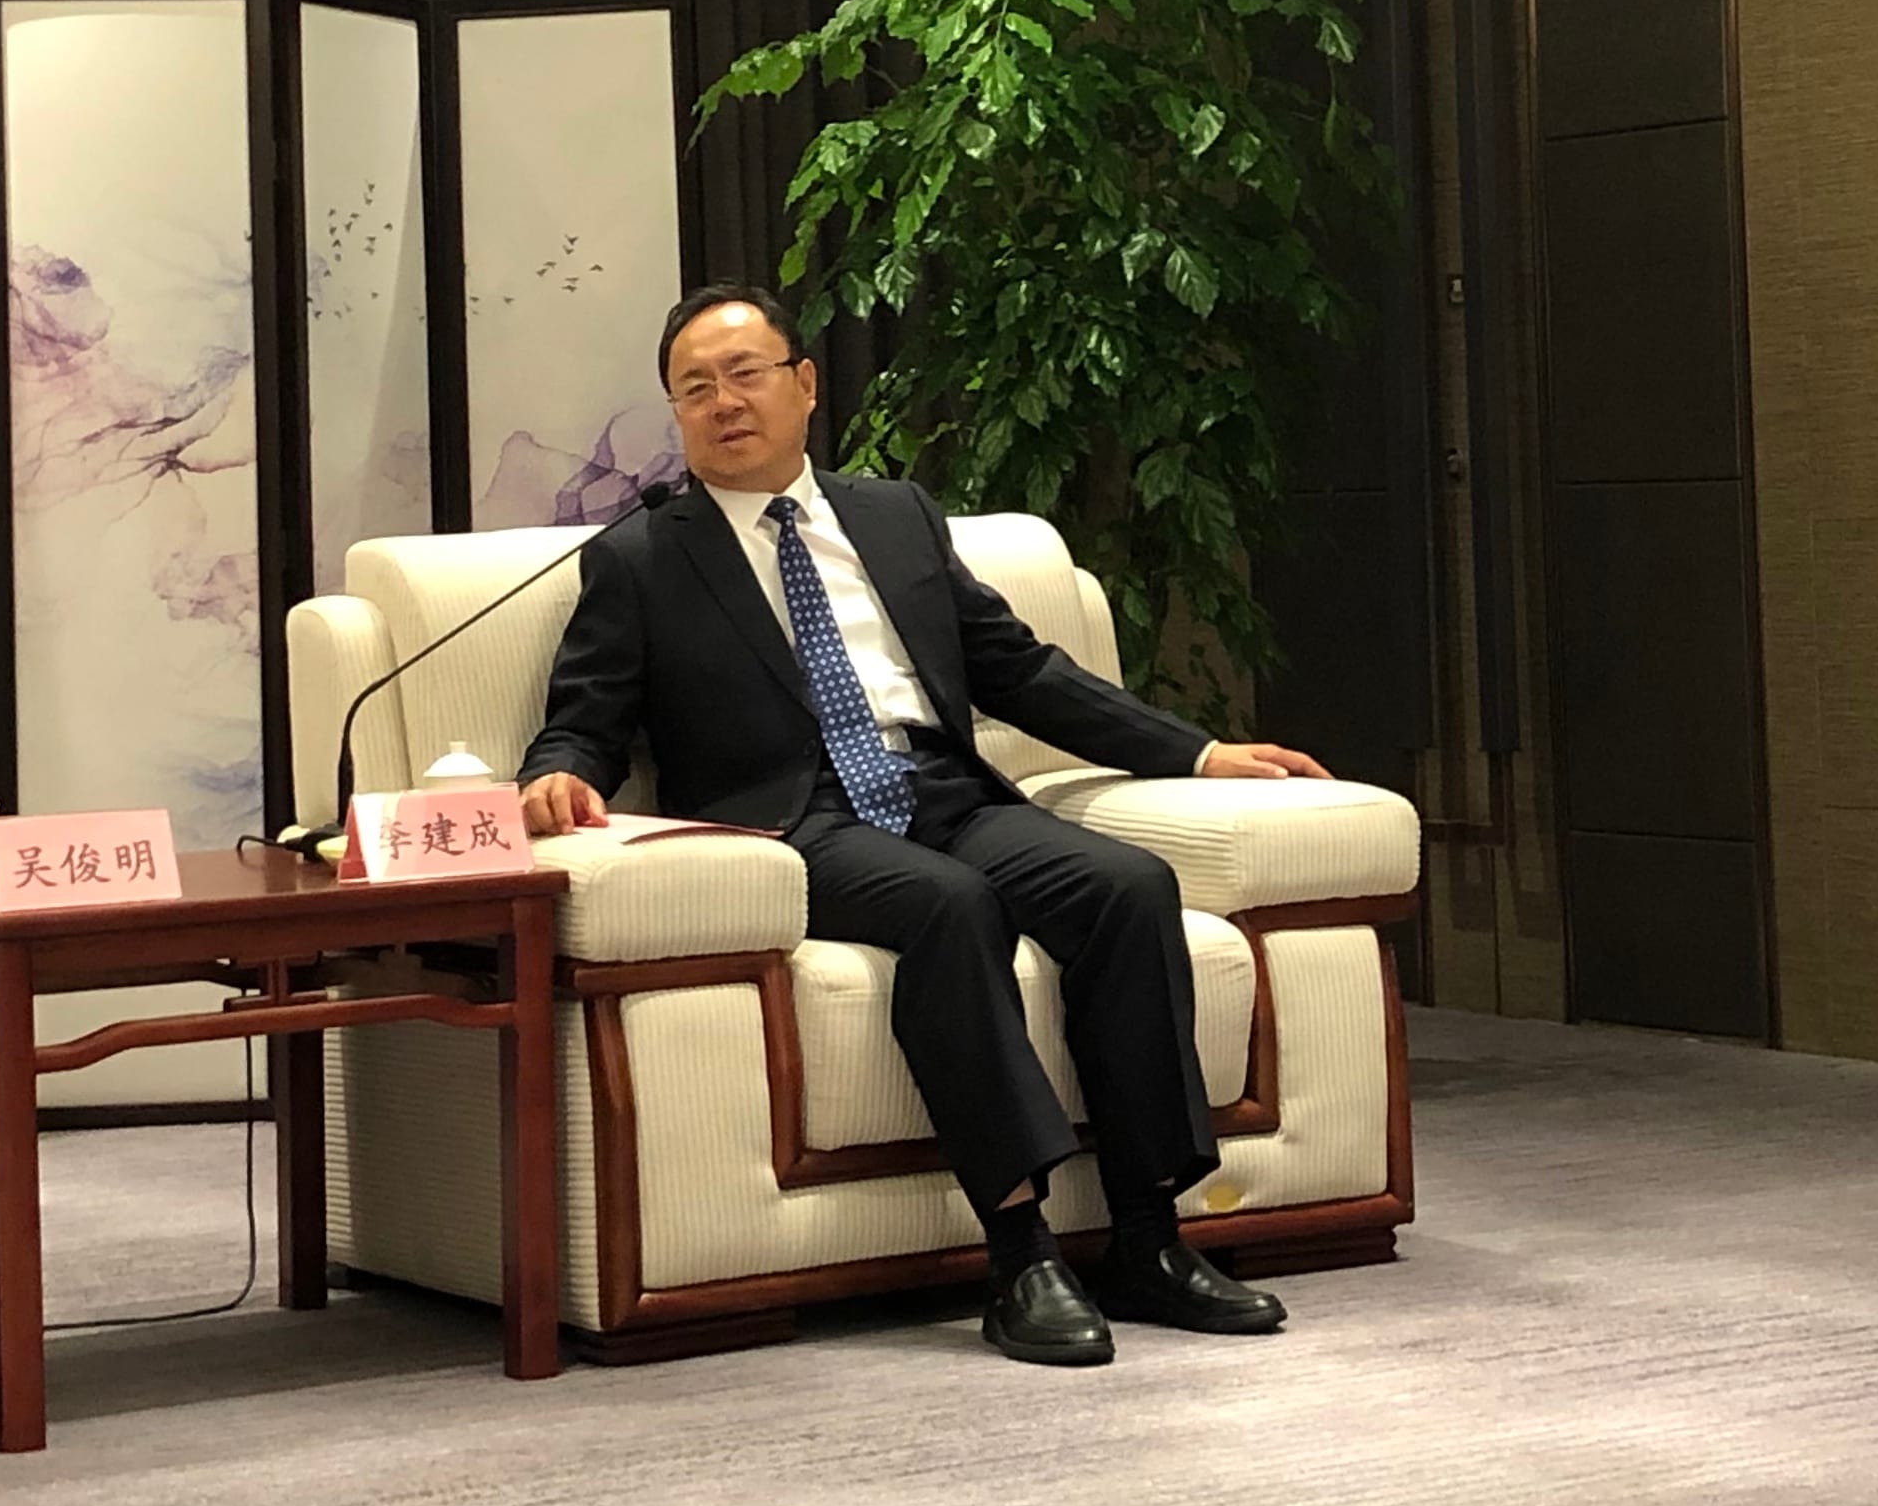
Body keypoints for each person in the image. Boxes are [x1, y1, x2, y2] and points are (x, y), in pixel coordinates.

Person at [519, 286, 1332, 1368]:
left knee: (1127, 887)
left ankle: (1148, 1237)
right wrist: (557, 776)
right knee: (952, 908)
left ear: (806, 384)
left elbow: (1019, 670)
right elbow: (586, 717)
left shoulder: (895, 515)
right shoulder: (641, 558)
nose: (724, 403)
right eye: (695, 388)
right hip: (794, 822)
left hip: (944, 793)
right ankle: (1021, 1253)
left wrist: (1195, 750)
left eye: (746, 374)